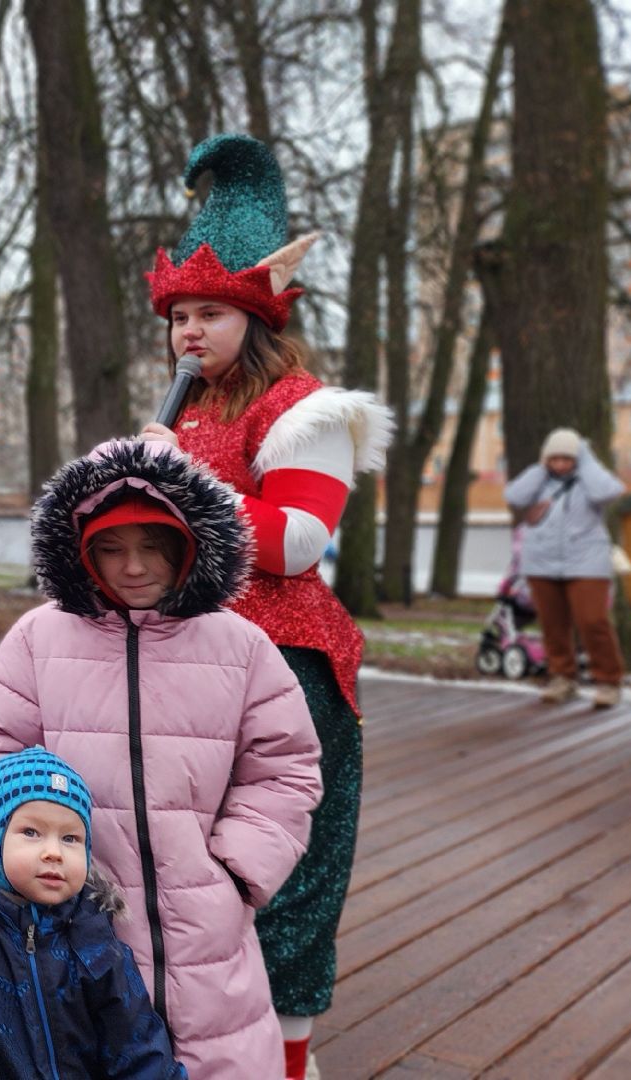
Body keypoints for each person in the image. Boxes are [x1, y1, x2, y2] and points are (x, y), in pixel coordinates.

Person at [136, 133, 393, 1080]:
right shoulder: (184, 412)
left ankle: (287, 1062)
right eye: (177, 315)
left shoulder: (302, 407)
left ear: (259, 314)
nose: (188, 332)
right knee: (189, 869)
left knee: (284, 874)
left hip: (288, 673)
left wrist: (173, 476)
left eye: (208, 312)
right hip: (184, 666)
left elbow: (294, 543)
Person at [0, 439, 323, 1077]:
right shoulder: (38, 639)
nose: (132, 567)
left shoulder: (240, 645)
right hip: (75, 915)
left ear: (188, 545)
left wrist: (236, 873)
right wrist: (30, 855)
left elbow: (285, 768)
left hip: (209, 929)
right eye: (111, 547)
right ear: (80, 551)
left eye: (151, 546)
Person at [0, 749, 185, 1080]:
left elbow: (136, 1042)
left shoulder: (93, 934)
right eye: (31, 832)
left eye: (70, 838)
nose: (53, 852)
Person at [504, 427, 627, 708]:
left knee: (593, 621)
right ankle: (562, 676)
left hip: (586, 562)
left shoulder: (590, 480)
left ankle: (608, 680)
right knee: (552, 624)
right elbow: (514, 496)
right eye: (554, 458)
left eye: (567, 458)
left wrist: (585, 458)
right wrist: (539, 468)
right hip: (542, 561)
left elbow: (610, 491)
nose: (560, 464)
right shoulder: (538, 481)